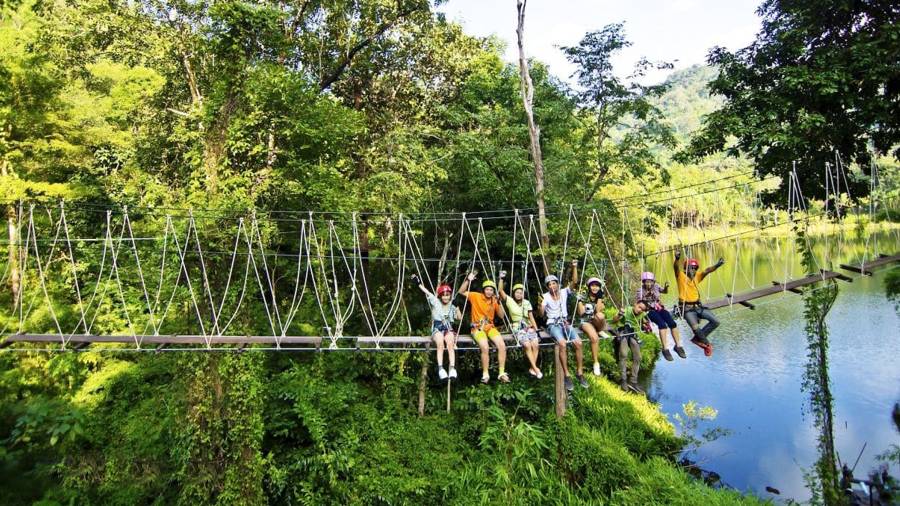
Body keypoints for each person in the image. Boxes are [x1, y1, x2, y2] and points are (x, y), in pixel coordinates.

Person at [537, 260, 586, 391]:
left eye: (554, 283)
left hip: (564, 322)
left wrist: (574, 267)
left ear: (557, 284)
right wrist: (540, 305)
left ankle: (580, 373)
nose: (552, 286)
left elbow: (574, 282)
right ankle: (567, 375)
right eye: (549, 284)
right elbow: (541, 315)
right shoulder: (545, 297)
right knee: (563, 343)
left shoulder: (564, 292)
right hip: (553, 324)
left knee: (578, 343)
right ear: (547, 287)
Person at [458, 271, 509, 384]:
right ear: (484, 290)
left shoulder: (494, 300)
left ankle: (501, 373)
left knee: (502, 345)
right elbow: (461, 291)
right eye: (487, 289)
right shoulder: (476, 296)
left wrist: (499, 303)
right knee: (485, 347)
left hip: (490, 327)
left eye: (491, 290)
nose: (489, 292)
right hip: (477, 328)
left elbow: (501, 316)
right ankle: (485, 374)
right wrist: (468, 280)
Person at [673, 252, 725, 357]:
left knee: (716, 322)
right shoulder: (681, 276)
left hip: (697, 307)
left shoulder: (697, 276)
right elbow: (675, 268)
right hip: (686, 309)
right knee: (696, 328)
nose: (693, 270)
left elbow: (707, 271)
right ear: (685, 269)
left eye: (694, 268)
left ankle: (697, 339)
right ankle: (707, 344)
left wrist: (717, 265)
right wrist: (677, 259)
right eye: (690, 268)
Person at [412, 274, 462, 380]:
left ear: (450, 295)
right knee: (440, 344)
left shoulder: (452, 305)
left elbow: (459, 318)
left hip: (448, 328)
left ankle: (452, 368)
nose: (445, 297)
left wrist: (457, 308)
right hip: (437, 328)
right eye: (443, 295)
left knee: (450, 344)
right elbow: (427, 292)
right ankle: (440, 369)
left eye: (447, 295)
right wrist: (418, 283)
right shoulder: (436, 302)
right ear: (440, 296)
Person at [498, 273, 542, 379]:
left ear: (523, 294)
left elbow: (531, 317)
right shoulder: (510, 301)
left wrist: (537, 330)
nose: (519, 294)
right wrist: (501, 279)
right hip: (517, 327)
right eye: (517, 292)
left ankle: (532, 368)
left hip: (529, 326)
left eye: (521, 293)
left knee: (535, 344)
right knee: (527, 345)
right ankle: (535, 368)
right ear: (514, 294)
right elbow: (500, 291)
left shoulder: (526, 303)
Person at [636, 271, 686, 362]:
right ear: (643, 282)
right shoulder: (640, 290)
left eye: (650, 281)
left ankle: (678, 346)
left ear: (653, 281)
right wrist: (645, 296)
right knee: (662, 325)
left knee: (672, 323)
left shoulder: (656, 286)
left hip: (659, 308)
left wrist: (666, 287)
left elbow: (664, 291)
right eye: (647, 281)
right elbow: (639, 302)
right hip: (649, 311)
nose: (649, 283)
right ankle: (665, 348)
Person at [610, 300, 649, 394]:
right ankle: (623, 380)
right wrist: (619, 314)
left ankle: (633, 382)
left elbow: (645, 323)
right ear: (635, 304)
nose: (640, 310)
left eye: (642, 309)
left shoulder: (642, 315)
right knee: (623, 354)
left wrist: (646, 327)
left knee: (638, 357)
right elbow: (613, 321)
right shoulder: (626, 310)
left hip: (632, 334)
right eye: (639, 307)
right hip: (622, 333)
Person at [576, 277, 612, 376]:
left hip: (596, 321)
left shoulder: (600, 296)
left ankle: (599, 330)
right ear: (589, 286)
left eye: (597, 286)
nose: (594, 288)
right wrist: (579, 301)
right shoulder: (584, 296)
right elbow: (581, 313)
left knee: (600, 316)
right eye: (592, 285)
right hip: (585, 321)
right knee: (594, 338)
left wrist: (599, 298)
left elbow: (599, 312)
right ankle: (596, 363)